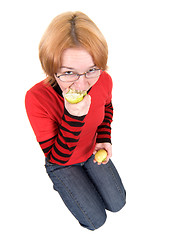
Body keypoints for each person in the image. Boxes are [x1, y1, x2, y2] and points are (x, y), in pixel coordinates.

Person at [25, 11, 126, 231]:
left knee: (118, 203)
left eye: (91, 70)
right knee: (95, 222)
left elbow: (106, 108)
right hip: (62, 162)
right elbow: (57, 156)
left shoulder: (104, 80)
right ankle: (62, 182)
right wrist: (74, 117)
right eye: (69, 72)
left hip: (91, 150)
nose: (81, 85)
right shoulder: (36, 98)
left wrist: (104, 138)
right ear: (52, 69)